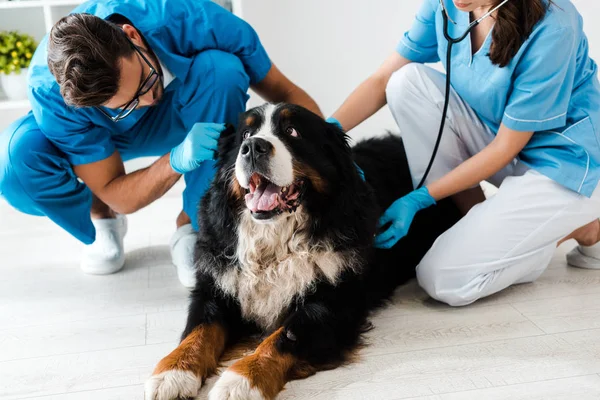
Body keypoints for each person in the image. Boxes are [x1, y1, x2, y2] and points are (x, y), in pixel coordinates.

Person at [0, 0, 321, 287]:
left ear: (132, 35)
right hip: (97, 140)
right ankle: (102, 218)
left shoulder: (197, 20)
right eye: (126, 104)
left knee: (222, 69)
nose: (146, 101)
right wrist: (174, 161)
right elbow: (116, 191)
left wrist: (336, 153)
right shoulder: (50, 91)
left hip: (189, 114)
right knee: (16, 161)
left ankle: (192, 224)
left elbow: (287, 94)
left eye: (145, 81)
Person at [328, 0, 600, 306]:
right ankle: (475, 225)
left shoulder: (556, 24)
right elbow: (381, 79)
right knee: (406, 83)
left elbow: (505, 148)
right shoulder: (447, 5)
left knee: (443, 279)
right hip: (500, 139)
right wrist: (325, 135)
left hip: (568, 165)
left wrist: (420, 198)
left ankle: (581, 226)